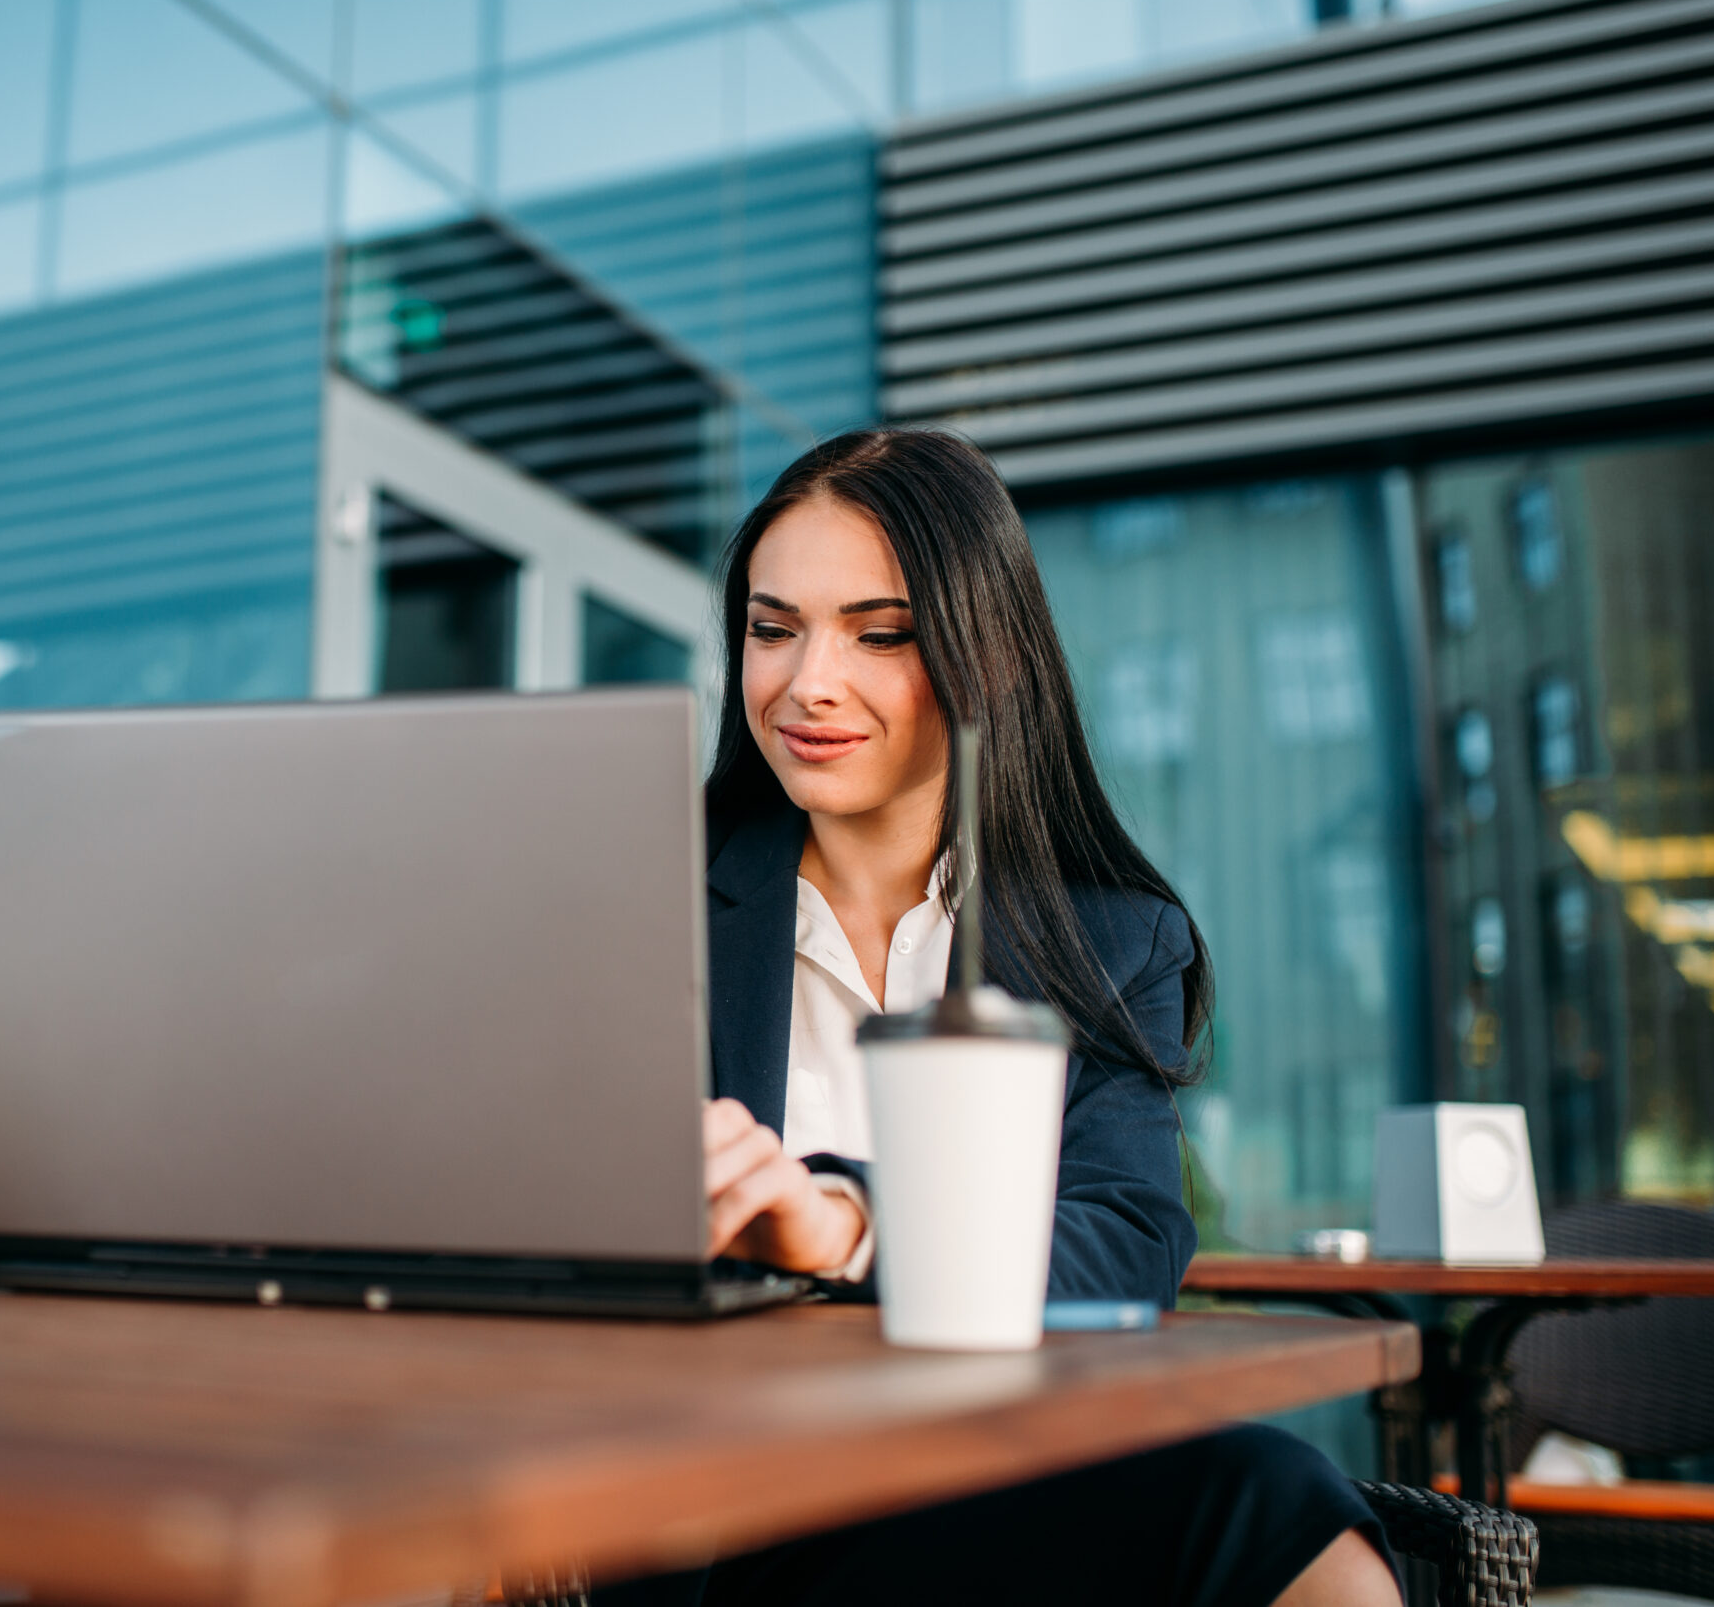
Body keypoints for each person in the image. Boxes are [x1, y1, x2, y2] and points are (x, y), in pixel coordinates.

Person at [596, 429, 1400, 1607]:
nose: (808, 681)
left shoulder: (1111, 943)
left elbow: (1125, 1240)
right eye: (774, 629)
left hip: (988, 1483)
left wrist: (850, 1220)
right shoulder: (643, 906)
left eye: (880, 633)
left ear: (988, 658)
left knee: (1285, 1512)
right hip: (701, 1490)